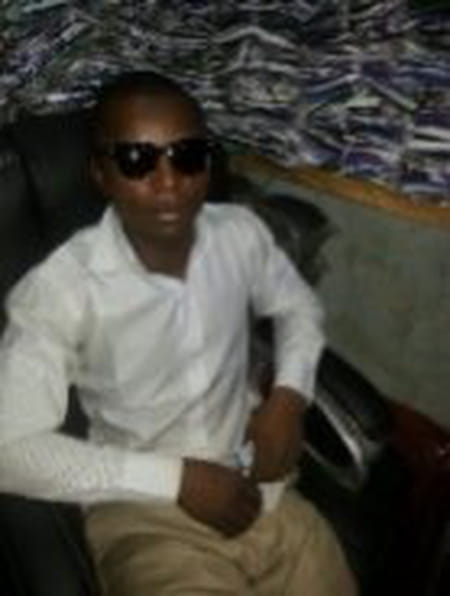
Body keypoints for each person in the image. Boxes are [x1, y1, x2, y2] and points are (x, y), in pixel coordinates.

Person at [0, 70, 357, 595]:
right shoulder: (59, 290)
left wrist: (288, 396)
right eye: (136, 159)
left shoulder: (239, 233)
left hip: (268, 498)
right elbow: (9, 451)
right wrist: (178, 479)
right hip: (145, 515)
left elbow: (297, 307)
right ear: (100, 173)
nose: (168, 182)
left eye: (187, 156)